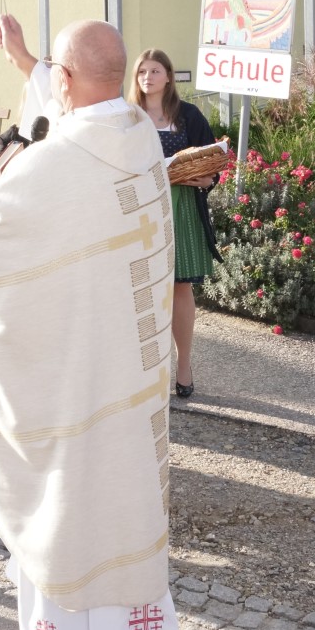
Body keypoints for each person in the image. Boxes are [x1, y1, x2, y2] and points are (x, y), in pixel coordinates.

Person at [0, 14, 179, 630]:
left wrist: (6, 175)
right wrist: (31, 66)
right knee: (125, 499)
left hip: (80, 377)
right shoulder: (141, 139)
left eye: (55, 71)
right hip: (130, 371)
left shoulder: (54, 163)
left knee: (73, 512)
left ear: (67, 78)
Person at [128, 48, 222, 399]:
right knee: (141, 289)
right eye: (142, 72)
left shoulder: (188, 115)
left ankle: (183, 366)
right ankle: (147, 369)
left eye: (155, 71)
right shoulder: (128, 117)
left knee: (180, 287)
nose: (147, 77)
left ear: (168, 76)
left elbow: (213, 159)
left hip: (181, 207)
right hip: (140, 208)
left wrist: (208, 179)